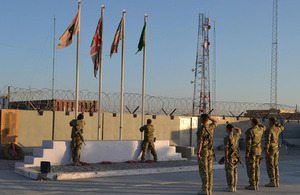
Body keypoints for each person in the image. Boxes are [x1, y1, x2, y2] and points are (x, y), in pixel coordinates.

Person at [197, 114, 218, 195]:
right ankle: (209, 189)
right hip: (210, 151)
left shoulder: (201, 129)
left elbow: (200, 143)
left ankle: (204, 189)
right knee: (209, 171)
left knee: (204, 170)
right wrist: (209, 118)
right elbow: (216, 121)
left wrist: (198, 153)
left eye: (201, 118)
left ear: (202, 119)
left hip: (204, 151)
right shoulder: (210, 127)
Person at [245, 118, 266, 190]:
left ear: (252, 123)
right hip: (258, 150)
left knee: (251, 168)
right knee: (257, 167)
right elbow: (264, 127)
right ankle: (257, 183)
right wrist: (258, 124)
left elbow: (248, 143)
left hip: (252, 151)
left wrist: (247, 152)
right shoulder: (260, 129)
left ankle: (252, 184)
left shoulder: (250, 131)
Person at [264, 117, 284, 187]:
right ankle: (276, 180)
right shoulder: (277, 129)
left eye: (269, 121)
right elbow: (282, 127)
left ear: (271, 122)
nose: (268, 122)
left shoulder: (269, 130)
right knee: (275, 165)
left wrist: (266, 149)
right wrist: (276, 123)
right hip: (276, 148)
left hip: (271, 148)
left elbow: (267, 141)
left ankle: (272, 181)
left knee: (270, 165)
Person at [224, 124, 242, 192]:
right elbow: (240, 130)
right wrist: (234, 128)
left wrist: (226, 158)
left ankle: (230, 186)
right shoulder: (236, 135)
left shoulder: (227, 137)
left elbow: (226, 149)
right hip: (235, 156)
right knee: (235, 172)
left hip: (230, 156)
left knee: (229, 172)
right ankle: (234, 186)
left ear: (228, 129)